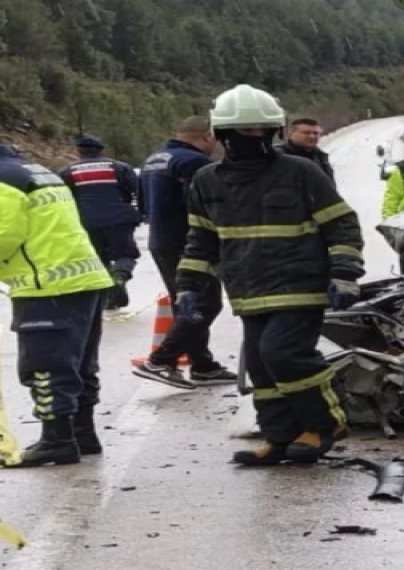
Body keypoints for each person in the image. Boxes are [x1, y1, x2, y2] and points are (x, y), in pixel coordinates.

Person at [176, 84, 364, 466]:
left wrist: (345, 272)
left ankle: (325, 423)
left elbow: (341, 224)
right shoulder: (207, 180)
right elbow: (201, 238)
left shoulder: (300, 171)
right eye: (246, 131)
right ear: (225, 133)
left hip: (299, 284)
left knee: (284, 353)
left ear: (274, 131)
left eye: (261, 130)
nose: (255, 137)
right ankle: (280, 438)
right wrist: (188, 285)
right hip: (247, 288)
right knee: (261, 366)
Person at [0, 144, 115, 467]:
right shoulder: (33, 170)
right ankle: (83, 434)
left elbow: (4, 234)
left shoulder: (3, 182)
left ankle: (58, 440)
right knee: (79, 364)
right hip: (83, 278)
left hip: (46, 285)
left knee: (45, 364)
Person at [134, 117, 237, 389]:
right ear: (205, 137)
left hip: (161, 240)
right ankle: (161, 360)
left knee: (187, 304)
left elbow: (142, 204)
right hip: (191, 243)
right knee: (205, 303)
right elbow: (205, 206)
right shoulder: (195, 164)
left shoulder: (154, 159)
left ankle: (203, 365)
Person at [57, 136, 142, 310]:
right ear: (101, 150)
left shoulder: (67, 172)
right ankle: (119, 278)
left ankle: (108, 297)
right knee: (125, 255)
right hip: (119, 220)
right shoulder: (120, 167)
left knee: (97, 258)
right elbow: (138, 191)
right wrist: (140, 213)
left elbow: (63, 199)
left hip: (86, 222)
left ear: (78, 151)